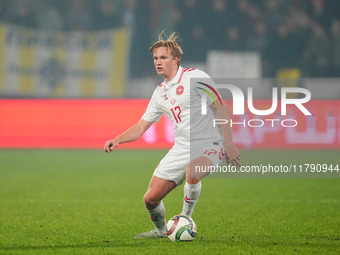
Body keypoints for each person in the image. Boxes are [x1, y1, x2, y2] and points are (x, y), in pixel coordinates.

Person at [104, 32, 241, 238]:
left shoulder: (195, 77)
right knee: (150, 199)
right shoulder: (160, 92)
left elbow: (220, 107)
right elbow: (141, 126)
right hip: (181, 147)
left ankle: (185, 219)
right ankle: (160, 232)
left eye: (163, 58)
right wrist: (118, 139)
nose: (158, 62)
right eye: (155, 59)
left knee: (192, 171)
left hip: (210, 142)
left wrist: (229, 144)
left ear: (176, 60)